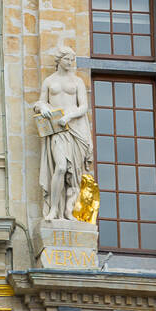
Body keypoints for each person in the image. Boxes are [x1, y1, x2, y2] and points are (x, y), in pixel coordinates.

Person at [33, 46, 95, 221]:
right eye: (67, 59)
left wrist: (68, 116)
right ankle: (54, 209)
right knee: (60, 167)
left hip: (75, 128)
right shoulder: (49, 81)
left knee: (75, 174)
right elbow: (40, 102)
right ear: (59, 60)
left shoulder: (77, 82)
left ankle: (68, 210)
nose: (70, 62)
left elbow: (83, 106)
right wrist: (44, 107)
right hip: (58, 130)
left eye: (72, 59)